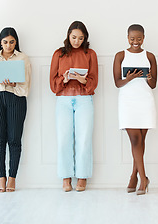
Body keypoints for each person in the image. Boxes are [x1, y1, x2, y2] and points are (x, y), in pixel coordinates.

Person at [0, 27, 32, 192]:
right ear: (0, 42)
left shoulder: (23, 58)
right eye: (5, 42)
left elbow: (26, 88)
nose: (8, 45)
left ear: (16, 42)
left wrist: (14, 83)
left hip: (16, 99)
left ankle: (12, 179)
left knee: (15, 140)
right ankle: (1, 178)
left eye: (11, 42)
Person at [50, 21, 98, 192]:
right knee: (63, 139)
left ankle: (82, 177)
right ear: (68, 35)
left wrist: (82, 79)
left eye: (80, 38)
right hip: (63, 100)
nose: (76, 41)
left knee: (84, 139)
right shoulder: (59, 54)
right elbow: (53, 85)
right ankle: (66, 177)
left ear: (85, 38)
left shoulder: (90, 54)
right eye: (74, 37)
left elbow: (93, 83)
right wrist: (64, 79)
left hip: (84, 99)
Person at [113, 24, 157, 195]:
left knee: (140, 141)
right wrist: (129, 78)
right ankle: (144, 178)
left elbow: (153, 85)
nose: (135, 42)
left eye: (139, 38)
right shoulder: (120, 56)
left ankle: (133, 176)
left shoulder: (150, 56)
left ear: (143, 38)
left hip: (145, 101)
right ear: (127, 38)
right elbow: (117, 82)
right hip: (127, 102)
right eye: (132, 39)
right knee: (135, 140)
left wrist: (150, 77)